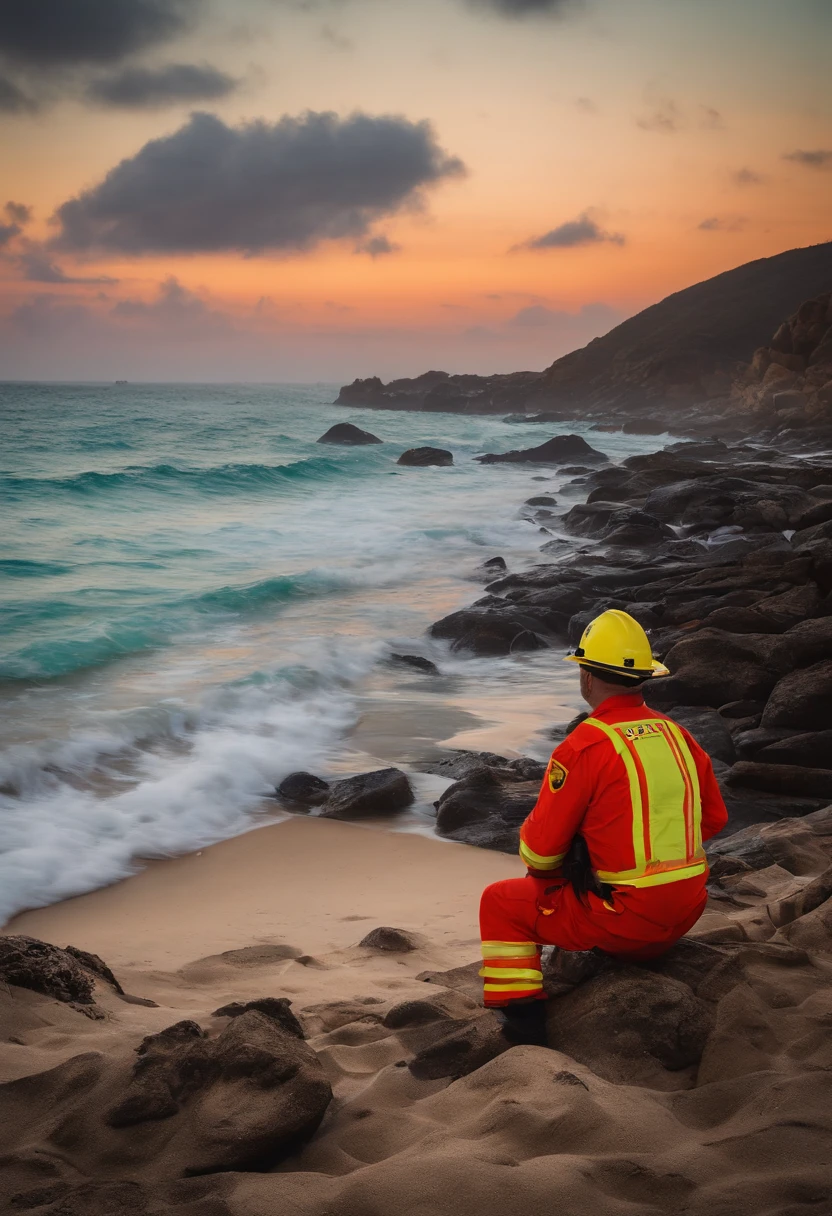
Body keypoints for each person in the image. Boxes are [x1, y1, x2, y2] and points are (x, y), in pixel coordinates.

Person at [479, 609, 728, 1047]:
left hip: (627, 924)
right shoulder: (678, 735)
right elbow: (713, 820)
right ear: (644, 678)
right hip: (688, 911)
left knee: (500, 902)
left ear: (587, 678)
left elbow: (538, 854)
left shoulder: (584, 745)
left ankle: (523, 1023)